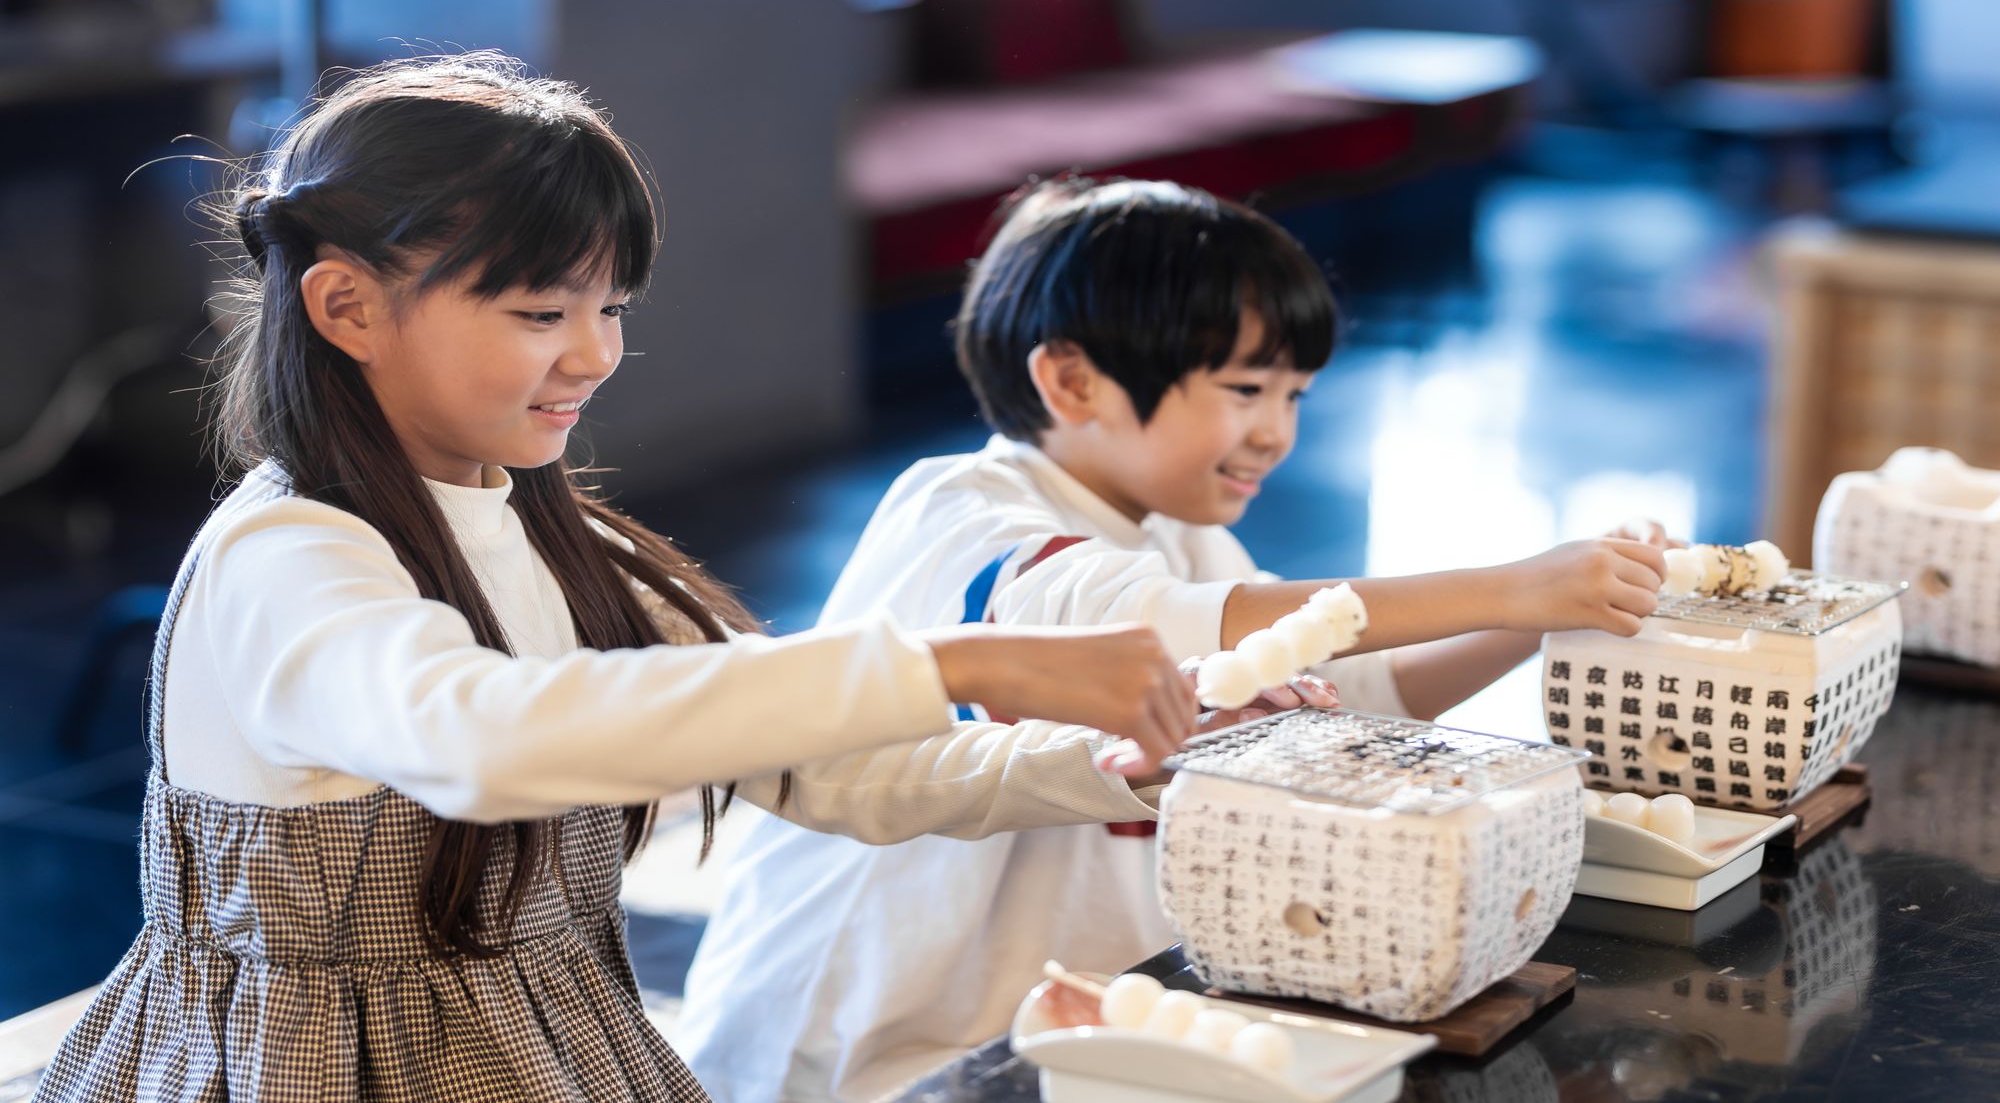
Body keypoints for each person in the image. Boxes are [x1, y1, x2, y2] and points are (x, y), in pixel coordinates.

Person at [31, 60, 1203, 1103]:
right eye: (542, 311)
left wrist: (1111, 765)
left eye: (608, 310)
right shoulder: (288, 554)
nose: (593, 355)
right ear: (346, 306)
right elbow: (481, 740)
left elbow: (831, 772)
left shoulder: (561, 538)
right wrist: (952, 660)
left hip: (546, 1035)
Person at [679, 177, 1670, 1101]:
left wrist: (1537, 618)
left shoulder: (1177, 528)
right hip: (871, 1054)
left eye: (1293, 396)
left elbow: (1345, 693)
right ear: (1072, 382)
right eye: (1244, 390)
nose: (1276, 432)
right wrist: (1507, 581)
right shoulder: (966, 515)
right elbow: (1160, 628)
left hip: (1070, 1029)